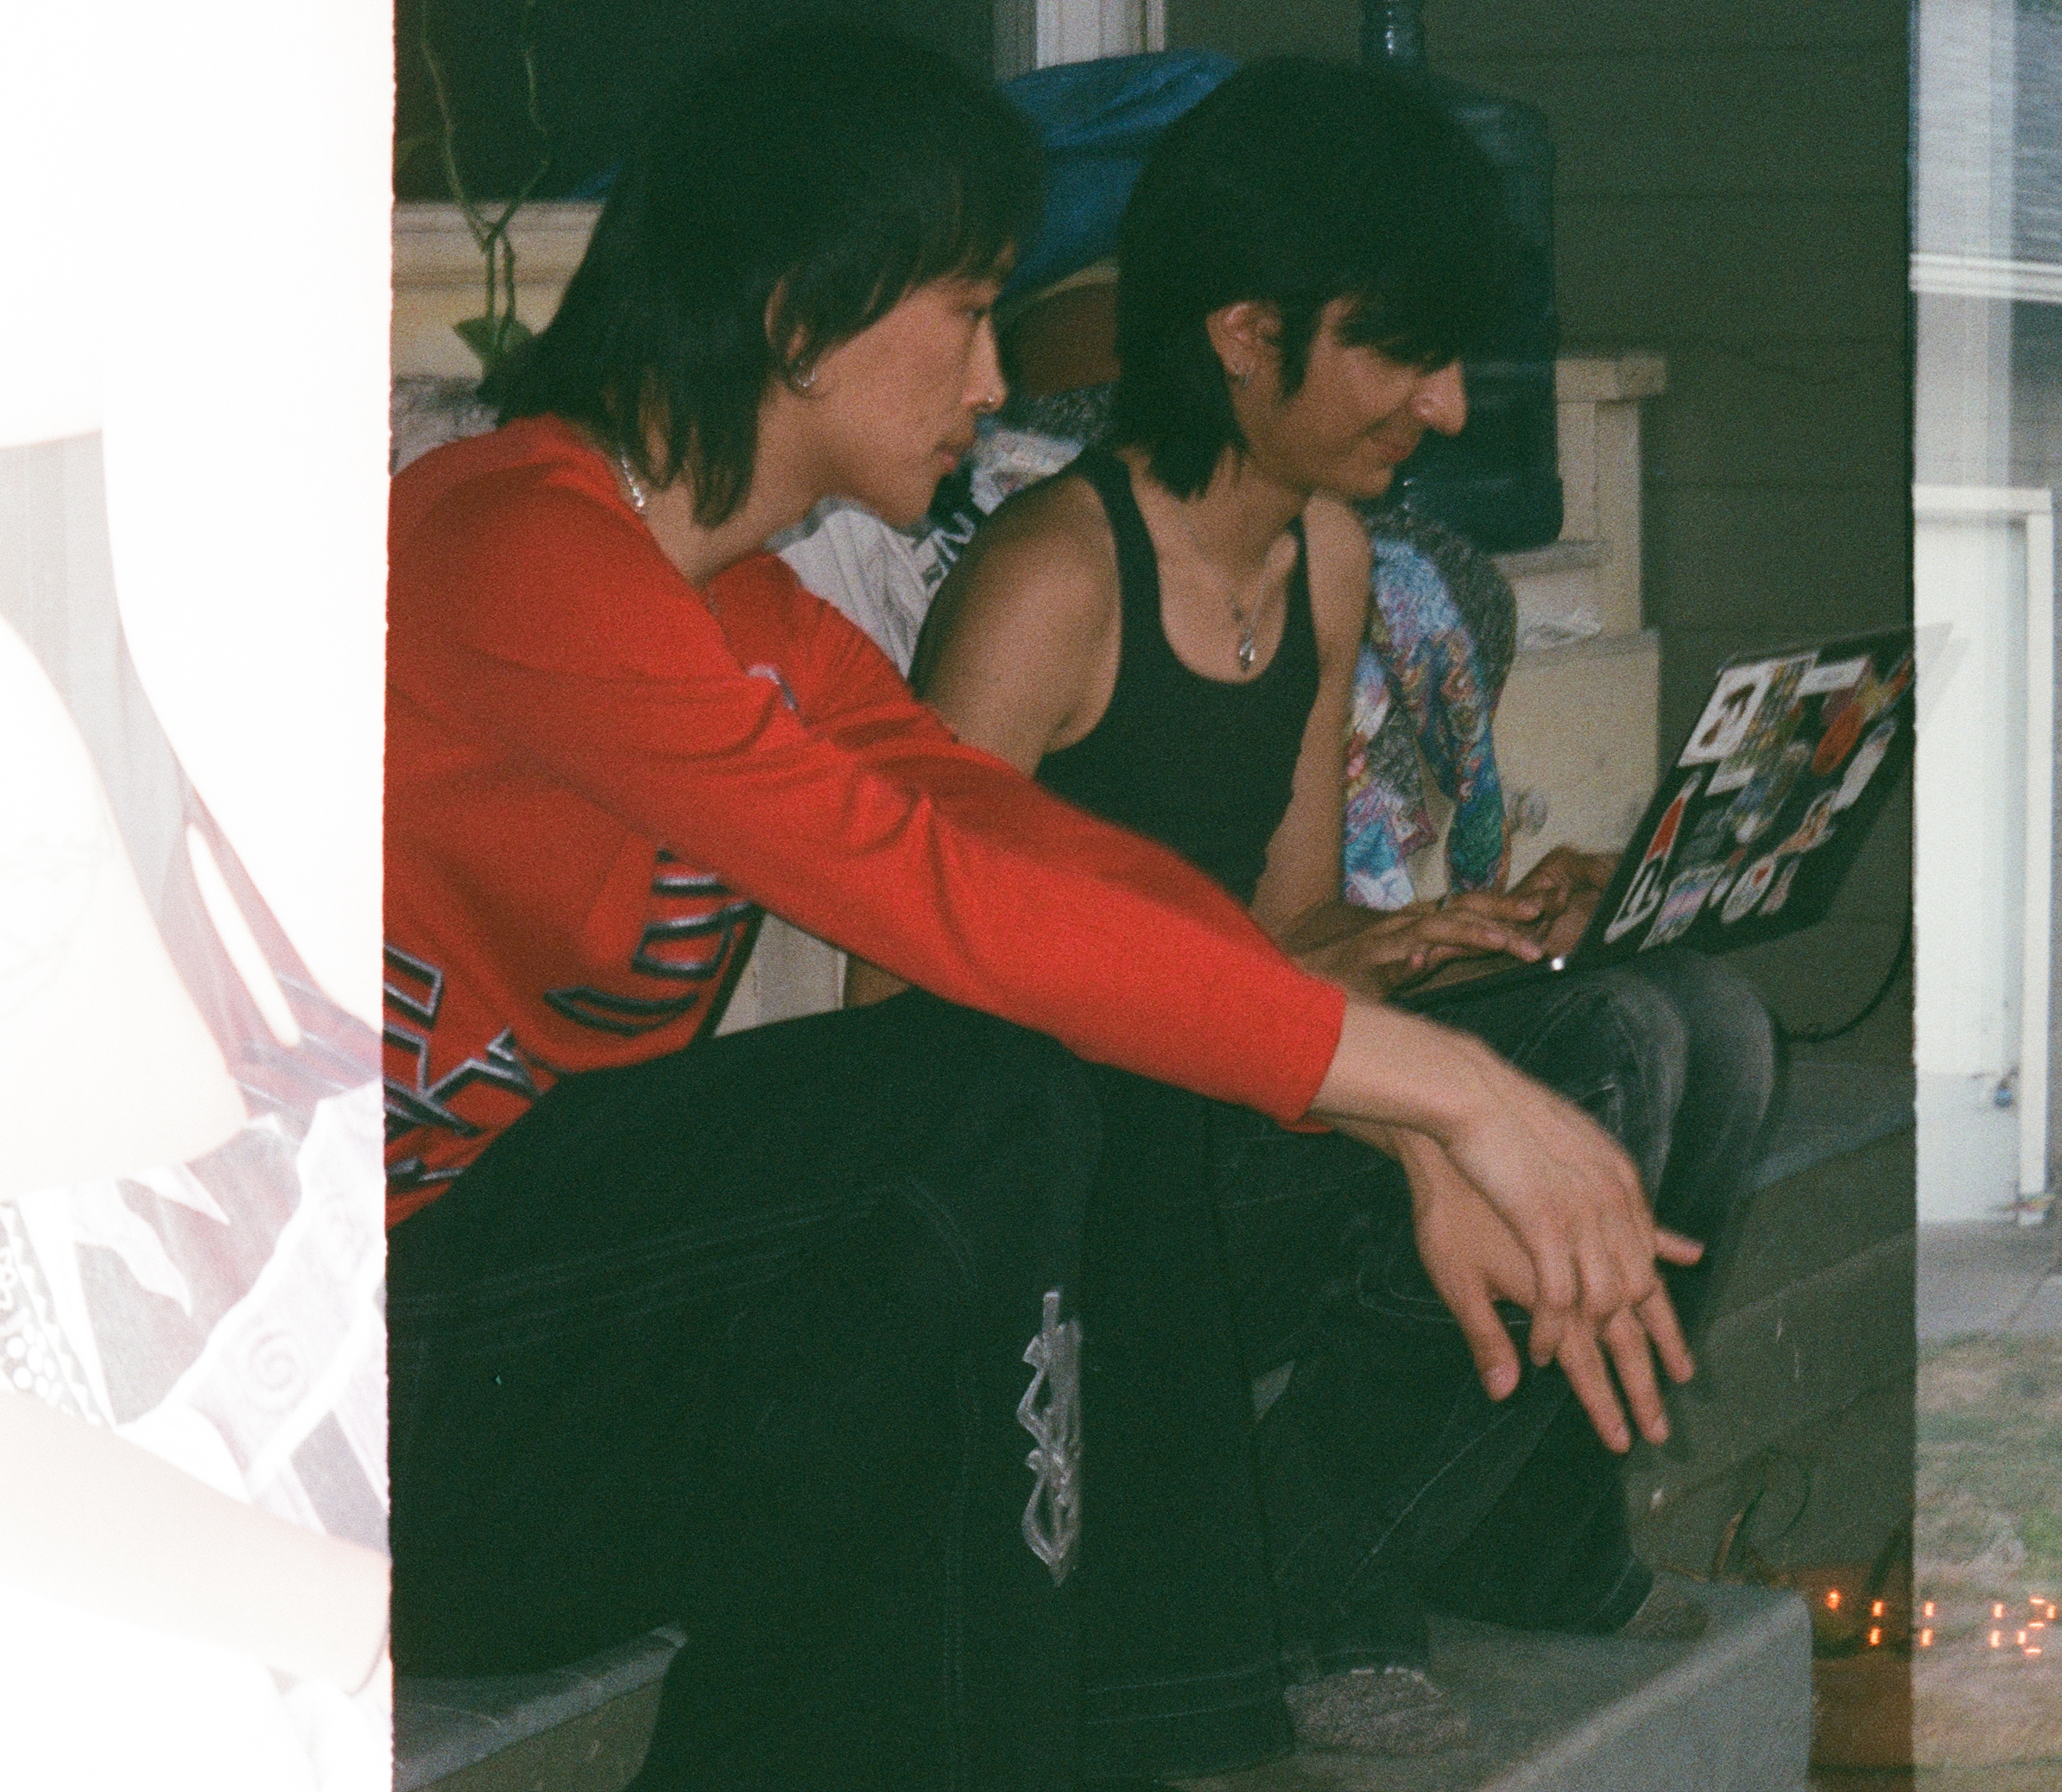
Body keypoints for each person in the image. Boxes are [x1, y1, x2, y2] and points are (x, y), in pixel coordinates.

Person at [383, 31, 1695, 1791]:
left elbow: (1024, 854)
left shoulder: (753, 620)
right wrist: (1456, 1090)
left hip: (561, 1375)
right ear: (800, 311)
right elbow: (928, 899)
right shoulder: (509, 550)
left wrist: (1392, 1121)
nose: (997, 380)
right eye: (964, 311)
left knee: (1032, 1074)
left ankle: (1149, 1724)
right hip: (378, 1415)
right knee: (964, 1088)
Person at [896, 58, 1780, 1761]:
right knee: (1591, 1060)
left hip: (1233, 1098)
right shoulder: (1052, 583)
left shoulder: (1323, 555)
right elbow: (907, 1028)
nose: (1443, 409)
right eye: (1402, 353)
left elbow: (1286, 934)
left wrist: (1443, 938)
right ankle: (1313, 1584)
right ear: (1240, 333)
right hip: (1094, 1197)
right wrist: (1392, 1077)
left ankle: (1528, 1531)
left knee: (1706, 1025)